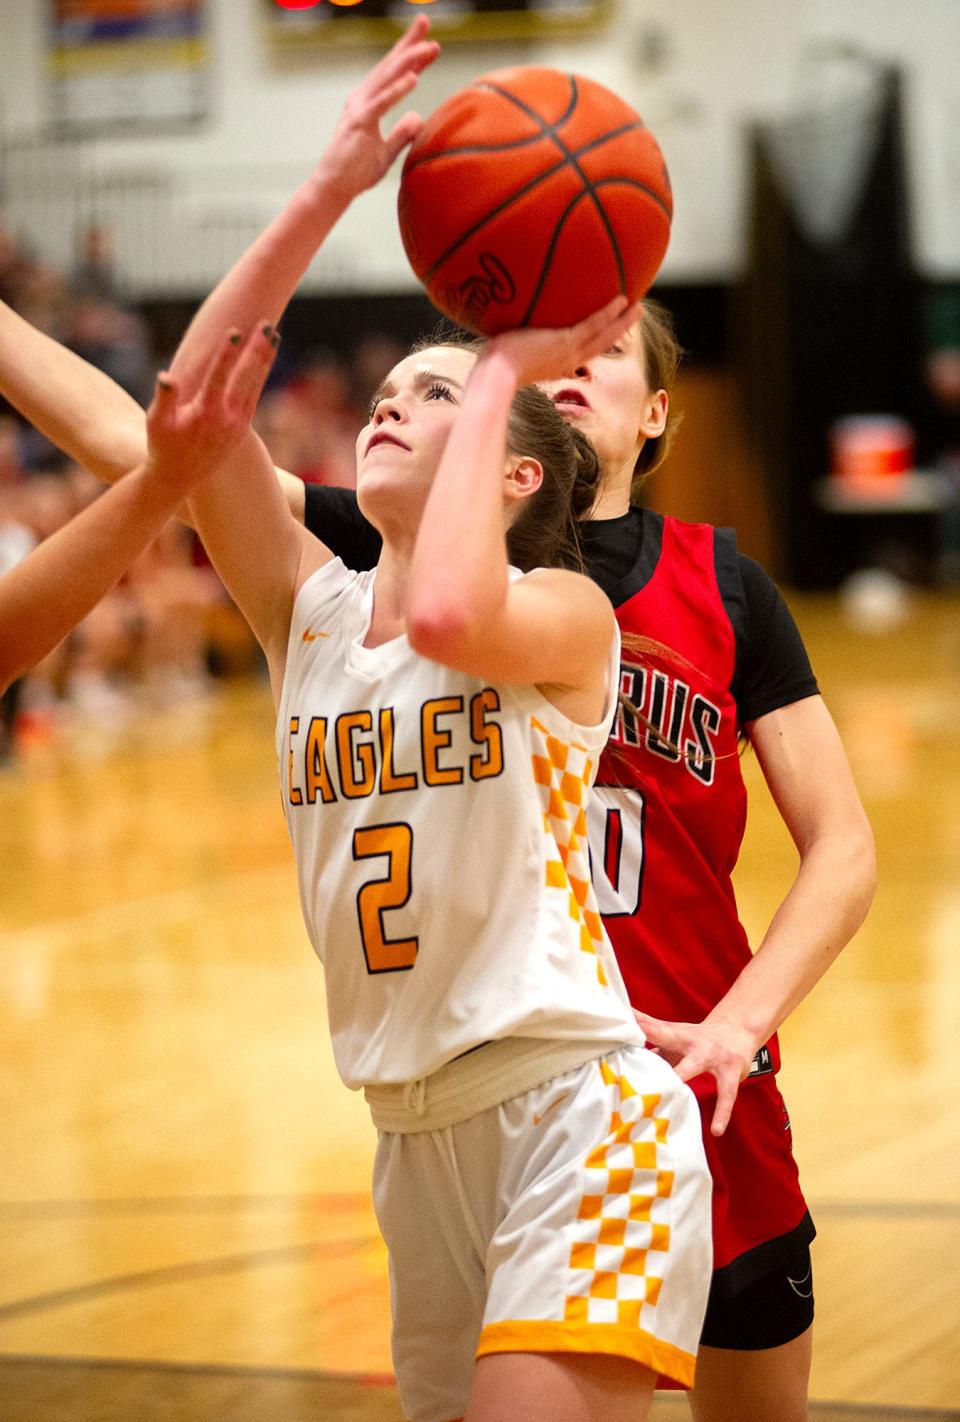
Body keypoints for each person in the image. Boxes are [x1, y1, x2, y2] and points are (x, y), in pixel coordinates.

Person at [0, 18, 875, 1422]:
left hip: (587, 1096)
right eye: (397, 389)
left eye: (444, 387)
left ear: (531, 458)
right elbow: (181, 420)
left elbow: (465, 609)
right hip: (417, 1131)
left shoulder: (575, 610)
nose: (401, 400)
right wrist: (329, 186)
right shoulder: (317, 605)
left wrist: (499, 358)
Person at [0, 327, 277, 699]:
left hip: (145, 476)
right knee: (128, 610)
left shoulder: (136, 488)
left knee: (179, 593)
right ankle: (80, 685)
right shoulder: (49, 501)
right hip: (95, 576)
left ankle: (170, 675)